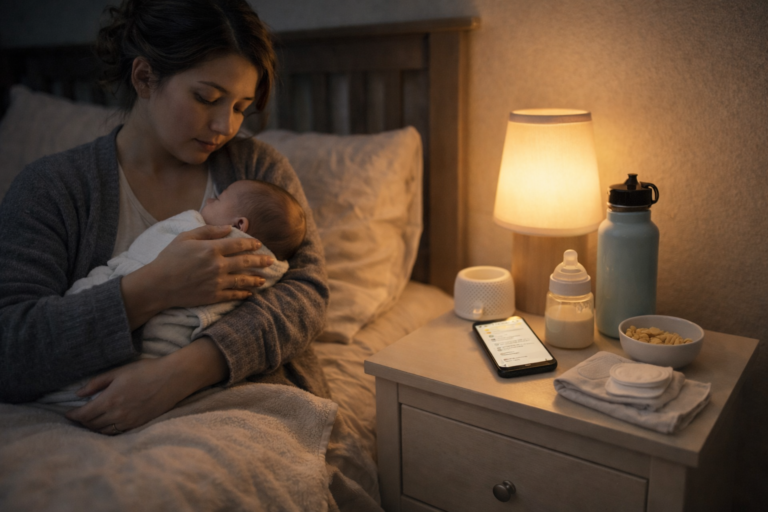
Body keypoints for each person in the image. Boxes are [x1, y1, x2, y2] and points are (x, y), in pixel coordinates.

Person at [0, 0, 330, 436]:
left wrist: (181, 373)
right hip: (80, 425)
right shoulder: (52, 189)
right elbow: (11, 346)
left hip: (240, 412)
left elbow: (306, 295)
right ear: (143, 77)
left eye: (239, 107)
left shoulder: (257, 172)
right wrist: (153, 288)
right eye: (207, 98)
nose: (224, 126)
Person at [36, 179, 307, 407]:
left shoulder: (200, 222)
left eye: (218, 198)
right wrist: (158, 283)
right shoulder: (56, 184)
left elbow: (303, 300)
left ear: (238, 226)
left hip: (176, 373)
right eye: (208, 110)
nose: (209, 202)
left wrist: (185, 371)